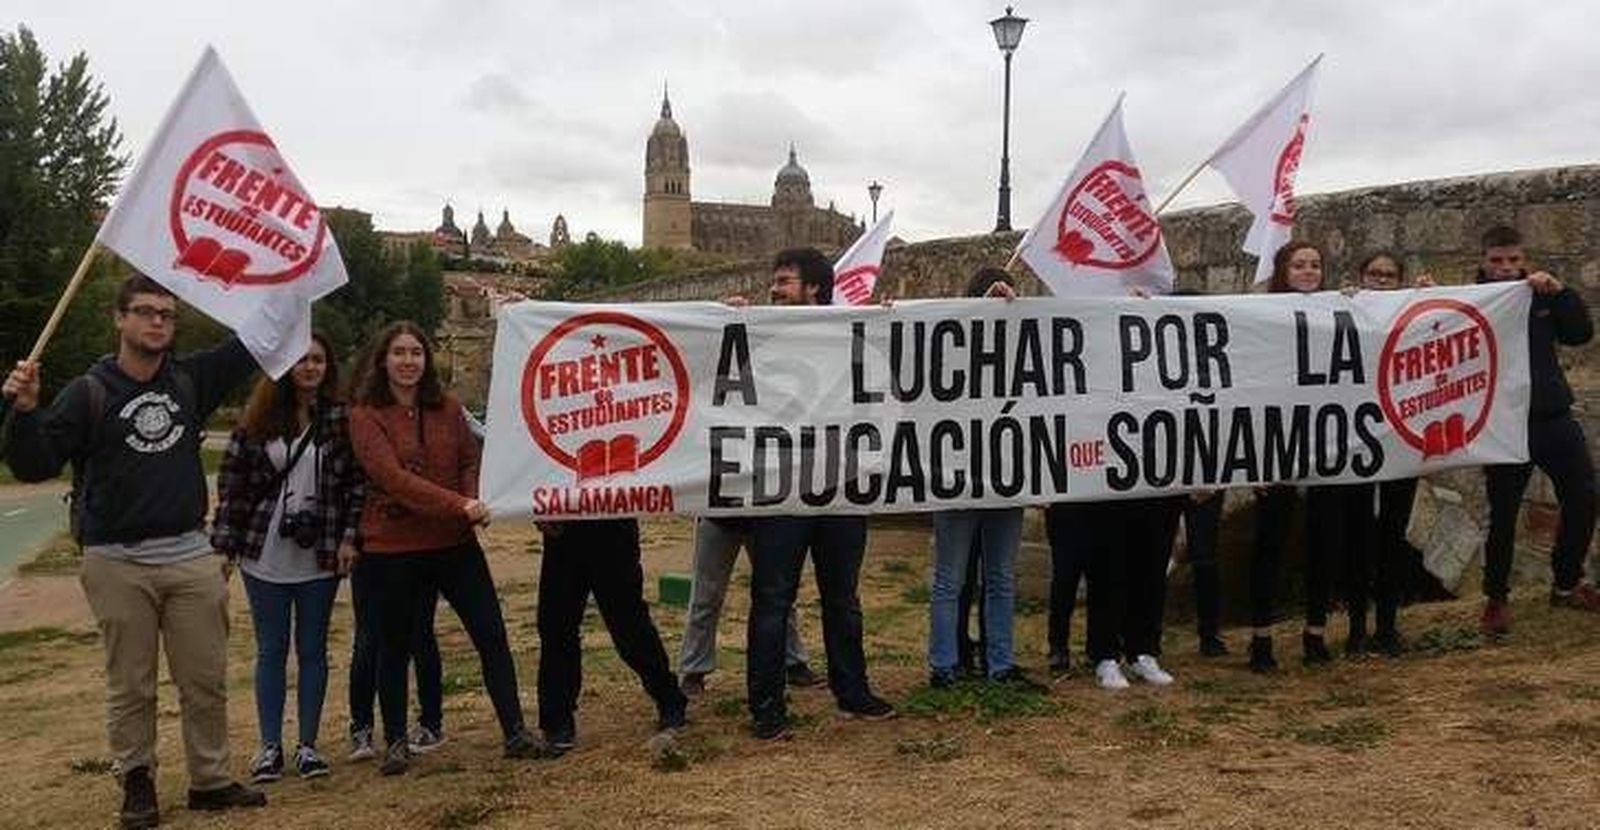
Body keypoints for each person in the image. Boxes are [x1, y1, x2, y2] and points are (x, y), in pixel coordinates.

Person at [3, 275, 267, 827]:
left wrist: (295, 286)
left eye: (166, 315)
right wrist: (25, 411)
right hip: (115, 559)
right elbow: (34, 466)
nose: (157, 323)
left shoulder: (191, 381)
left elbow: (252, 343)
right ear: (119, 319)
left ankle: (210, 779)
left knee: (204, 677)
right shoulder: (88, 392)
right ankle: (137, 781)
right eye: (145, 312)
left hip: (190, 554)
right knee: (131, 682)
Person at [349, 321, 545, 774]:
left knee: (491, 634)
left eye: (416, 352)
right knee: (396, 644)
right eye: (399, 352)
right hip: (393, 548)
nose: (408, 361)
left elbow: (467, 459)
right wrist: (461, 505)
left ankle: (514, 731)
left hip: (452, 544)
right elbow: (393, 480)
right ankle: (396, 739)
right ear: (384, 360)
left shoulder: (450, 410)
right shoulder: (365, 416)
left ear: (427, 359)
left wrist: (470, 495)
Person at [728, 248, 895, 740]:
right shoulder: (756, 328)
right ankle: (766, 707)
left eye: (784, 280)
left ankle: (852, 690)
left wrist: (891, 323)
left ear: (815, 289)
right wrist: (725, 322)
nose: (774, 289)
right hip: (781, 489)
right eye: (774, 280)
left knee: (841, 598)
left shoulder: (854, 331)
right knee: (773, 598)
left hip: (839, 486)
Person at [211, 334, 362, 782]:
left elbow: (357, 484)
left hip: (321, 551)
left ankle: (309, 746)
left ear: (328, 366)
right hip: (265, 551)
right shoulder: (257, 420)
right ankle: (269, 746)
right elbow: (233, 487)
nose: (309, 368)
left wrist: (351, 538)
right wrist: (224, 546)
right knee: (271, 649)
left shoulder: (341, 419)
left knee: (313, 649)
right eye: (301, 360)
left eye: (318, 359)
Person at [1249, 241, 1380, 670]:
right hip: (1278, 443)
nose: (1308, 271)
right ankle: (1261, 638)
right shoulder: (1262, 317)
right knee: (1269, 542)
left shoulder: (1335, 311)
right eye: (1299, 265)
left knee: (1326, 542)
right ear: (1284, 271)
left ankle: (1315, 633)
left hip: (1327, 441)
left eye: (1315, 265)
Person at [1475, 225, 1600, 632]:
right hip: (1502, 422)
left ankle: (1566, 582)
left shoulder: (1538, 296)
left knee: (1583, 495)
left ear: (1524, 260)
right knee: (1504, 514)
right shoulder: (1468, 303)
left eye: (1513, 260)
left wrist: (1561, 293)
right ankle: (1496, 598)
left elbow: (1580, 334)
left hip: (1550, 414)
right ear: (1483, 261)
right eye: (1497, 260)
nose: (1505, 268)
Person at [925, 267, 1039, 690]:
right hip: (960, 478)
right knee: (953, 580)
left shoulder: (1019, 345)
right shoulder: (946, 340)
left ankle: (995, 663)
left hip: (1004, 478)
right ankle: (946, 664)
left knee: (996, 579)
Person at [535, 519, 688, 753]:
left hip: (613, 527)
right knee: (556, 625)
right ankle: (557, 720)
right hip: (562, 531)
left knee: (629, 625)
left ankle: (668, 697)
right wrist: (541, 511)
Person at [677, 517, 820, 696]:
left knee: (779, 597)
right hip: (718, 518)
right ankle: (693, 670)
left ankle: (793, 662)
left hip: (766, 520)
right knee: (705, 598)